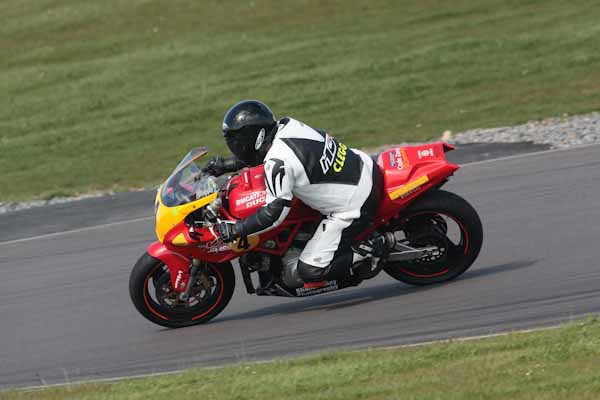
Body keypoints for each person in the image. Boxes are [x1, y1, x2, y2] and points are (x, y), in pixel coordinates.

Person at [207, 100, 390, 284]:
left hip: (355, 203)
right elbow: (266, 153)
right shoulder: (287, 125)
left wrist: (237, 229)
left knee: (310, 270)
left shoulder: (278, 163)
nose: (238, 148)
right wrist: (229, 164)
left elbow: (273, 214)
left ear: (257, 137)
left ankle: (370, 249)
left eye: (240, 143)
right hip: (362, 165)